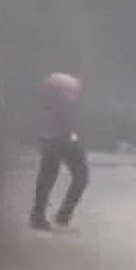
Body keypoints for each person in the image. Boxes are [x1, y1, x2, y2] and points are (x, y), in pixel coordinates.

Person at [31, 72, 88, 231]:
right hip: (63, 138)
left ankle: (38, 215)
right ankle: (63, 214)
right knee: (81, 176)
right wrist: (74, 136)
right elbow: (67, 118)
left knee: (47, 178)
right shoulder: (70, 89)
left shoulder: (49, 94)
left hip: (50, 137)